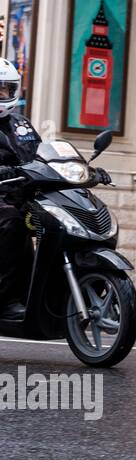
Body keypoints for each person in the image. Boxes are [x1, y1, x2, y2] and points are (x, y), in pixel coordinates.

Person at [0, 59, 39, 318]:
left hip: (22, 194)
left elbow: (42, 153)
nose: (1, 94)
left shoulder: (21, 124)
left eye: (5, 89)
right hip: (2, 197)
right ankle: (4, 299)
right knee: (13, 223)